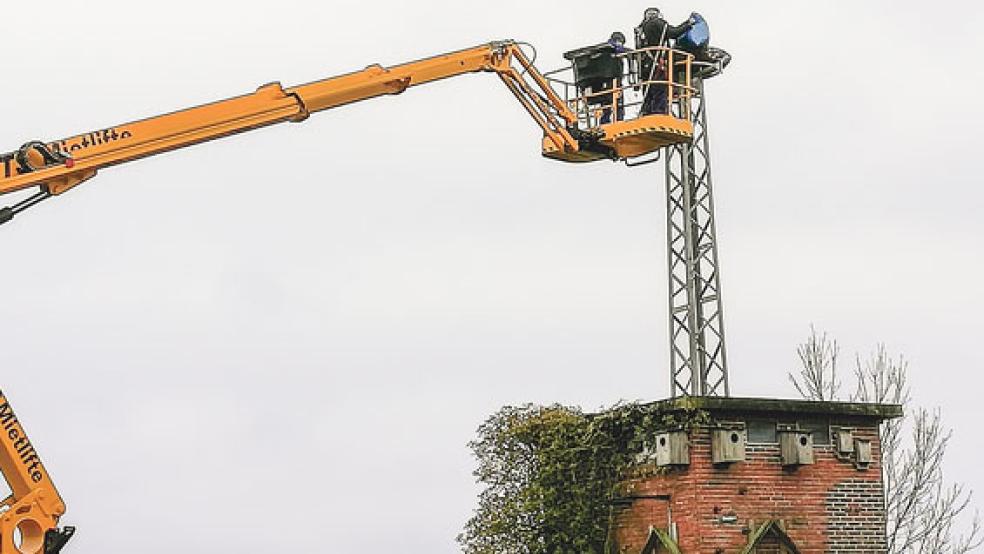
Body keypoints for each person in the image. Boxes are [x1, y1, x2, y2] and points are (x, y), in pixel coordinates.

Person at [635, 8, 696, 115]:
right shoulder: (658, 23)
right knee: (659, 88)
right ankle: (659, 111)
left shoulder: (639, 30)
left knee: (648, 88)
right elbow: (673, 33)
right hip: (657, 62)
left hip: (645, 64)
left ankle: (647, 111)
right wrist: (688, 24)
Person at [600, 32, 628, 124]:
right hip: (613, 80)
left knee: (606, 105)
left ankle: (605, 121)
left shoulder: (604, 48)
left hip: (605, 81)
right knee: (617, 103)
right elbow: (621, 50)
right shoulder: (613, 47)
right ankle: (619, 121)